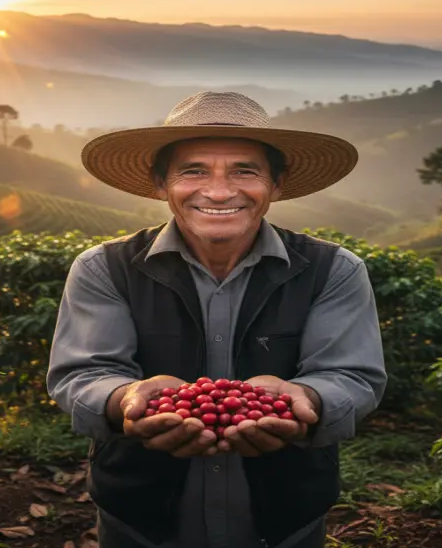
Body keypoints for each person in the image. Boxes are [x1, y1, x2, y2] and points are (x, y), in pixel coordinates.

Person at [46, 91, 387, 548]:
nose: (221, 191)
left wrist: (306, 397)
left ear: (277, 184)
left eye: (245, 170)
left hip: (285, 520)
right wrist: (124, 396)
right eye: (194, 171)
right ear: (160, 184)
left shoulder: (334, 270)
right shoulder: (104, 269)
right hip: (140, 520)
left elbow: (352, 375)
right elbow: (84, 372)